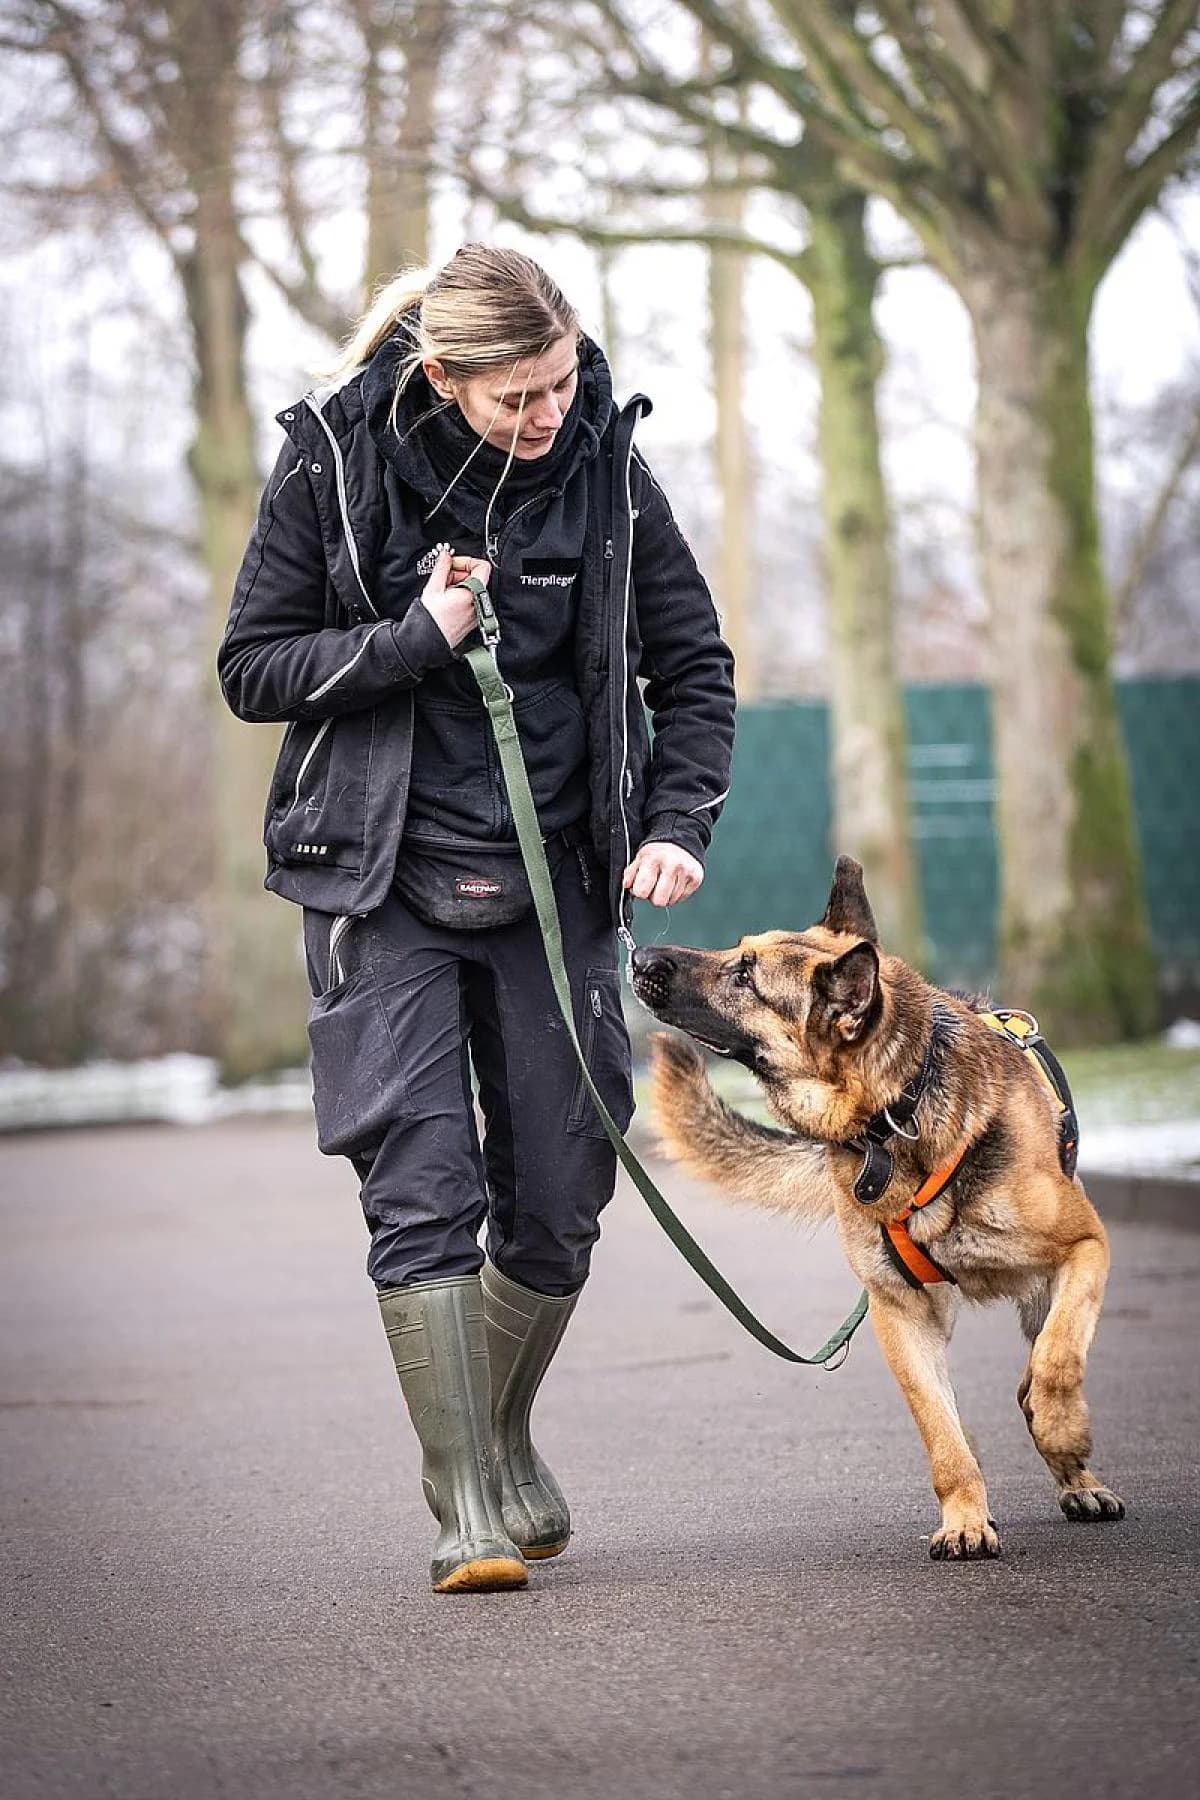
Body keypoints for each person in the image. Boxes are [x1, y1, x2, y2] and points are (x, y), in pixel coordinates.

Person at [219, 243, 736, 1593]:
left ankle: (492, 1437)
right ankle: (466, 1509)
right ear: (442, 378)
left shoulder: (607, 475)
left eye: (560, 383)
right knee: (424, 1189)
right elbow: (253, 665)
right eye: (517, 397)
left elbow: (695, 667)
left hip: (557, 884)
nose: (546, 414)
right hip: (380, 881)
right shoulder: (334, 463)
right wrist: (410, 639)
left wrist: (676, 824)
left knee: (563, 1194)